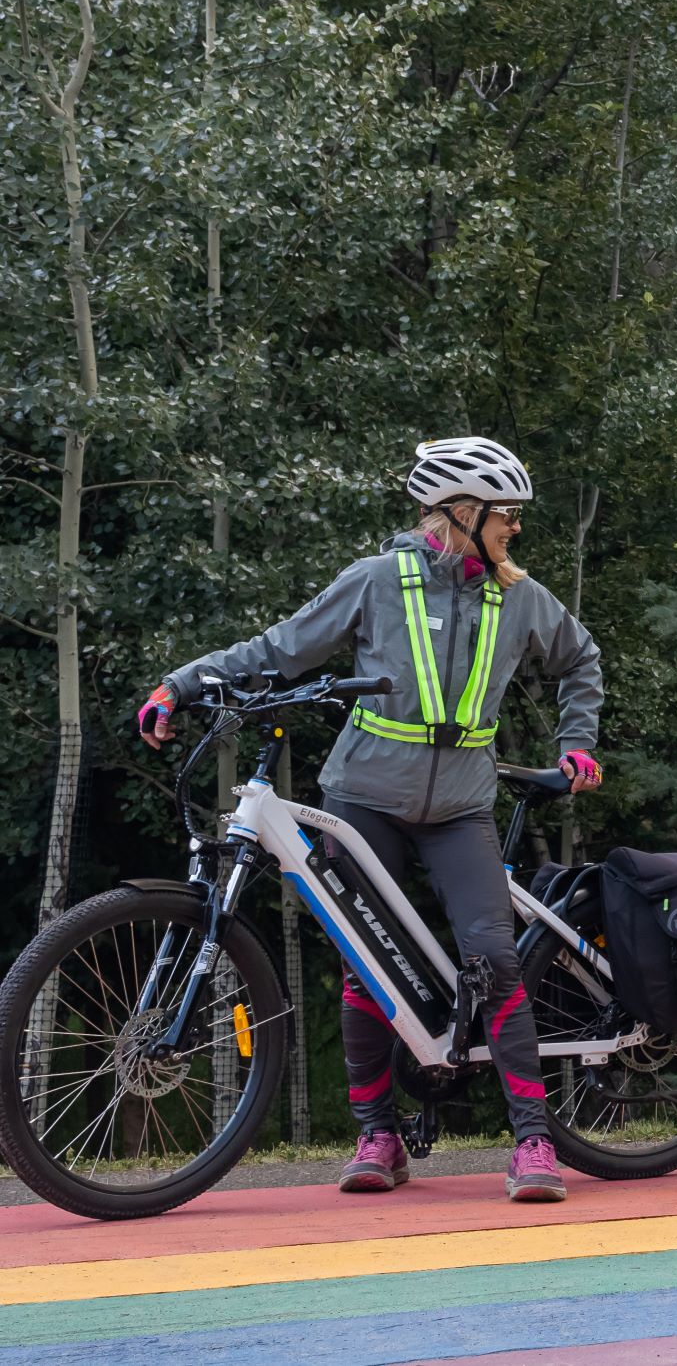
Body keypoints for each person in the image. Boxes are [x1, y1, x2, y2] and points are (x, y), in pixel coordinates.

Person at [138, 436, 606, 1198]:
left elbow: (580, 658)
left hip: (461, 806)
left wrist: (578, 740)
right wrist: (180, 685)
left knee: (494, 955)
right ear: (463, 512)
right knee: (366, 966)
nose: (515, 527)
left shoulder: (518, 596)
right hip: (364, 801)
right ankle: (379, 1136)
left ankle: (533, 1144)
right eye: (505, 514)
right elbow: (279, 649)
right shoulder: (376, 582)